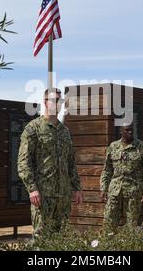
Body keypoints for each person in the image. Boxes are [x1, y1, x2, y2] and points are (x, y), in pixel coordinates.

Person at [17, 88, 83, 238]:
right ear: (45, 102)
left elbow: (71, 162)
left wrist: (77, 188)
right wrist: (32, 188)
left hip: (63, 197)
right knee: (41, 237)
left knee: (62, 238)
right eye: (53, 100)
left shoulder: (64, 131)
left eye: (60, 101)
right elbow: (23, 162)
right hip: (43, 195)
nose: (57, 104)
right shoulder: (33, 128)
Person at [100, 123, 143, 230]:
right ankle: (107, 245)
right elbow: (107, 169)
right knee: (109, 221)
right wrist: (103, 188)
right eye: (127, 130)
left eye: (131, 130)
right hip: (114, 191)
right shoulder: (113, 147)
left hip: (133, 192)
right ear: (121, 131)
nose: (130, 132)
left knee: (131, 224)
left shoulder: (142, 147)